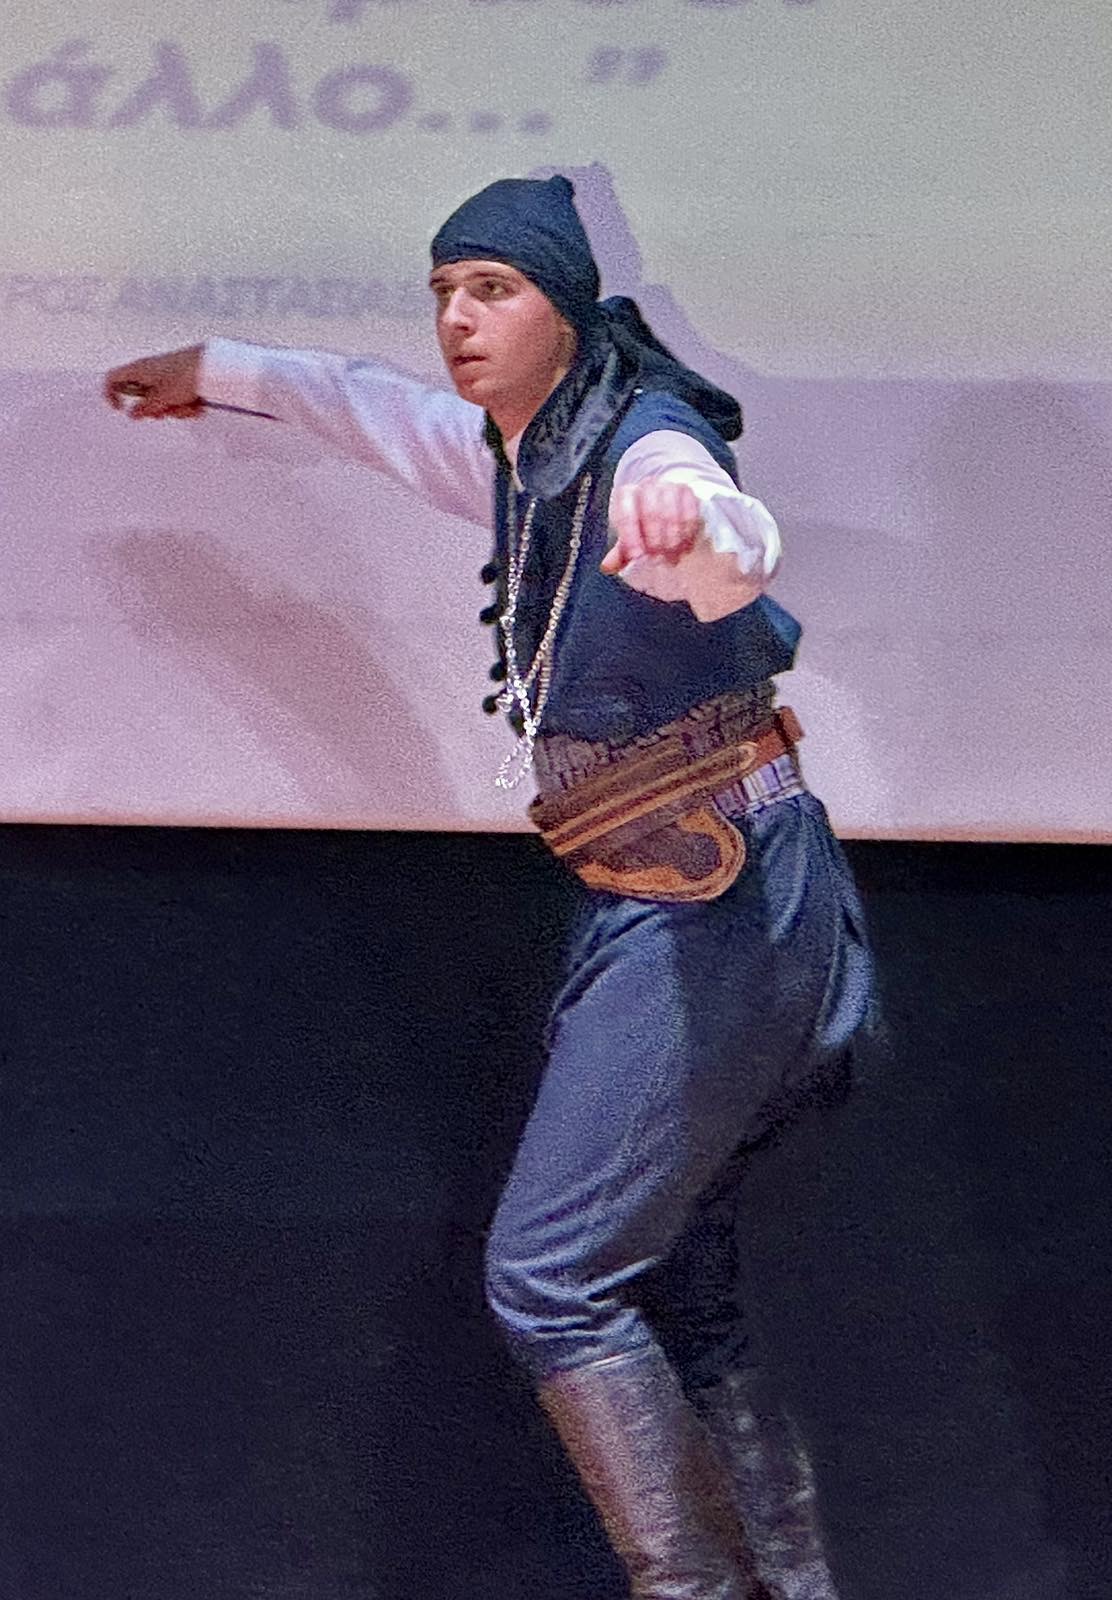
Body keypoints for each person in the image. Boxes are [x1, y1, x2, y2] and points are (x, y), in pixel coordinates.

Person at [105, 175, 874, 1600]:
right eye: (445, 292)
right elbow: (366, 408)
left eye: (494, 290)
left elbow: (722, 531)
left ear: (565, 309)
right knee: (677, 1283)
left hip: (720, 901)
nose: (458, 319)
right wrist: (216, 367)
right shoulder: (531, 457)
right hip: (672, 885)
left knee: (552, 1280)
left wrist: (704, 536)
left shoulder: (637, 445)